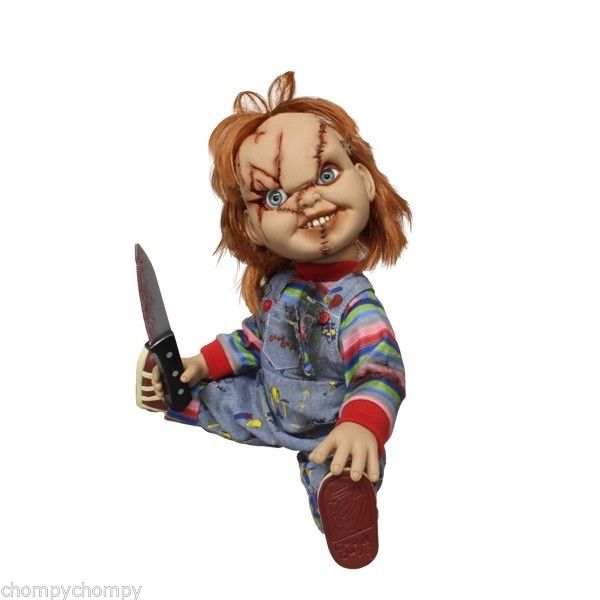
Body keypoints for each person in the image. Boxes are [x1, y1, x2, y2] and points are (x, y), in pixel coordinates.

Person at [136, 71, 411, 568]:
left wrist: (362, 425)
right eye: (275, 197)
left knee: (339, 468)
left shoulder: (355, 304)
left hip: (328, 426)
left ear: (366, 180)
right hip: (266, 402)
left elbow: (380, 370)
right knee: (215, 400)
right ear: (252, 226)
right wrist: (200, 365)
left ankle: (342, 501)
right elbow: (255, 339)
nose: (307, 200)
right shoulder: (281, 286)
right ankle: (171, 395)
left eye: (325, 175)